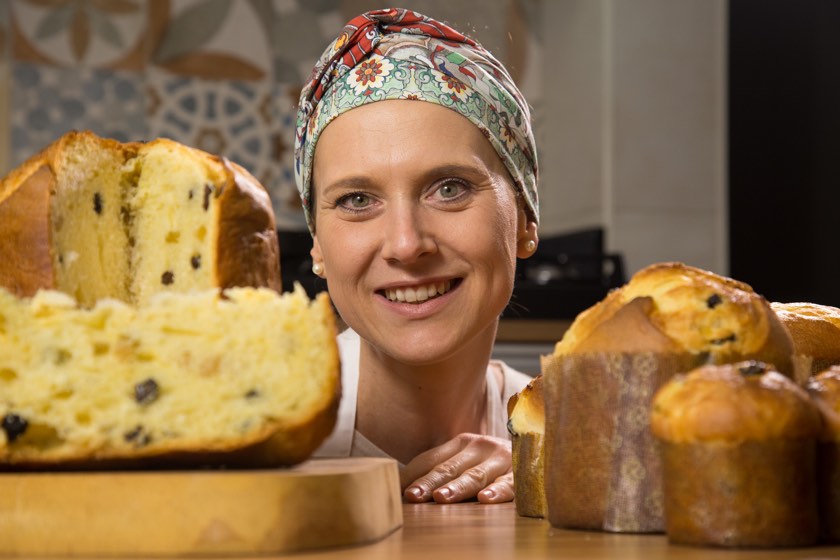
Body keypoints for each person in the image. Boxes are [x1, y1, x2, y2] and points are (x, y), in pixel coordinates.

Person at [293, 8, 540, 505]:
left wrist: (548, 470)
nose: (407, 245)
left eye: (449, 188)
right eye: (357, 200)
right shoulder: (248, 428)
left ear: (525, 220)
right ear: (317, 245)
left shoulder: (563, 429)